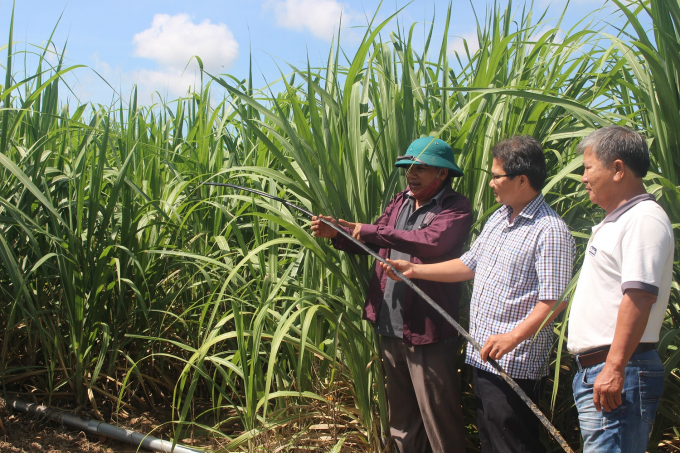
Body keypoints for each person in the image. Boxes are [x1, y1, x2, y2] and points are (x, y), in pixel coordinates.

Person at [383, 135, 575, 452]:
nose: (491, 184)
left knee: (513, 444)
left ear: (522, 179)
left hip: (514, 362)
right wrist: (414, 272)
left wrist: (511, 339)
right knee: (492, 441)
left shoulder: (550, 230)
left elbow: (554, 301)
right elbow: (469, 264)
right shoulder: (500, 218)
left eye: (497, 176)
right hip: (483, 356)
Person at [311, 136, 472, 453]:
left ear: (442, 174)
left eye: (420, 168)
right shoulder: (400, 201)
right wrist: (341, 233)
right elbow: (375, 240)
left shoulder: (456, 208)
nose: (411, 174)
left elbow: (429, 241)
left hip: (427, 329)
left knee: (439, 419)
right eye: (408, 167)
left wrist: (365, 229)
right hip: (389, 323)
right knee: (401, 418)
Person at [568, 126, 672, 452]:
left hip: (621, 371)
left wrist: (614, 367)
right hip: (605, 371)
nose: (583, 178)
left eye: (588, 168)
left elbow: (639, 295)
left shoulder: (643, 219)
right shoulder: (618, 220)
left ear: (617, 169)